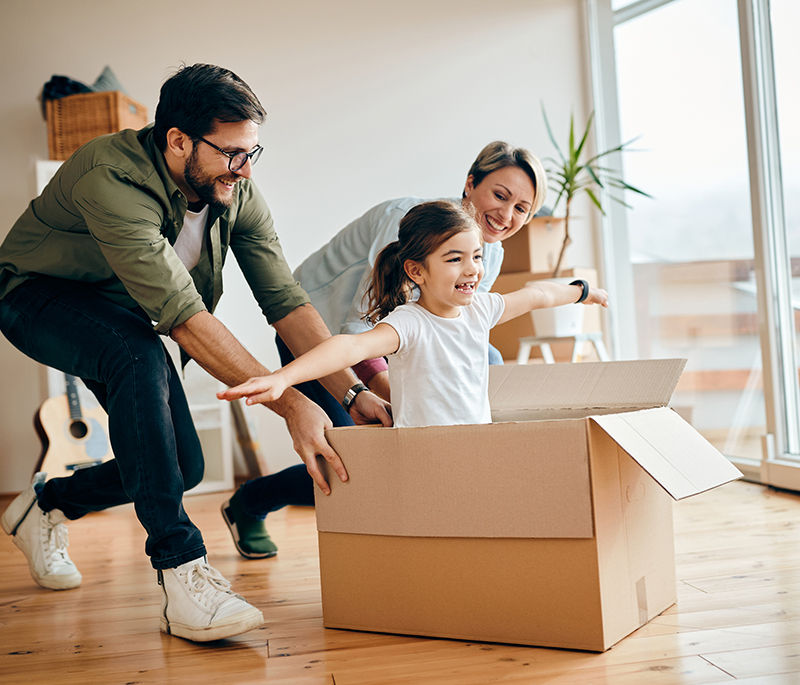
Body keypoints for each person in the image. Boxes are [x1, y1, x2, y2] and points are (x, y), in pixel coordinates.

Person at [0, 63, 390, 642]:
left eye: (254, 151)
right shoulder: (107, 175)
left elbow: (285, 301)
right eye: (232, 152)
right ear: (178, 140)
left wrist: (349, 391)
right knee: (137, 352)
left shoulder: (236, 192)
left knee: (184, 466)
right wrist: (290, 404)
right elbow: (182, 316)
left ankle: (48, 504)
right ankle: (183, 574)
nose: (247, 168)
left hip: (125, 316)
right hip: (35, 295)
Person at [220, 142, 548, 558]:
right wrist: (387, 389)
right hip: (318, 334)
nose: (506, 216)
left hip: (382, 340)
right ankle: (250, 502)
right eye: (500, 196)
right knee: (350, 462)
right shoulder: (405, 223)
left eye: (522, 208)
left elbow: (459, 329)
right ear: (470, 184)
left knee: (490, 364)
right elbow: (362, 324)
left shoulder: (490, 251)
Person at [218, 201, 609, 426]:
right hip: (423, 452)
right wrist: (283, 378)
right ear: (416, 271)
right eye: (454, 259)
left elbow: (536, 294)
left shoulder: (481, 309)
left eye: (476, 256)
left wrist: (581, 292)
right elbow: (347, 348)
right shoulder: (409, 323)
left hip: (474, 444)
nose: (472, 268)